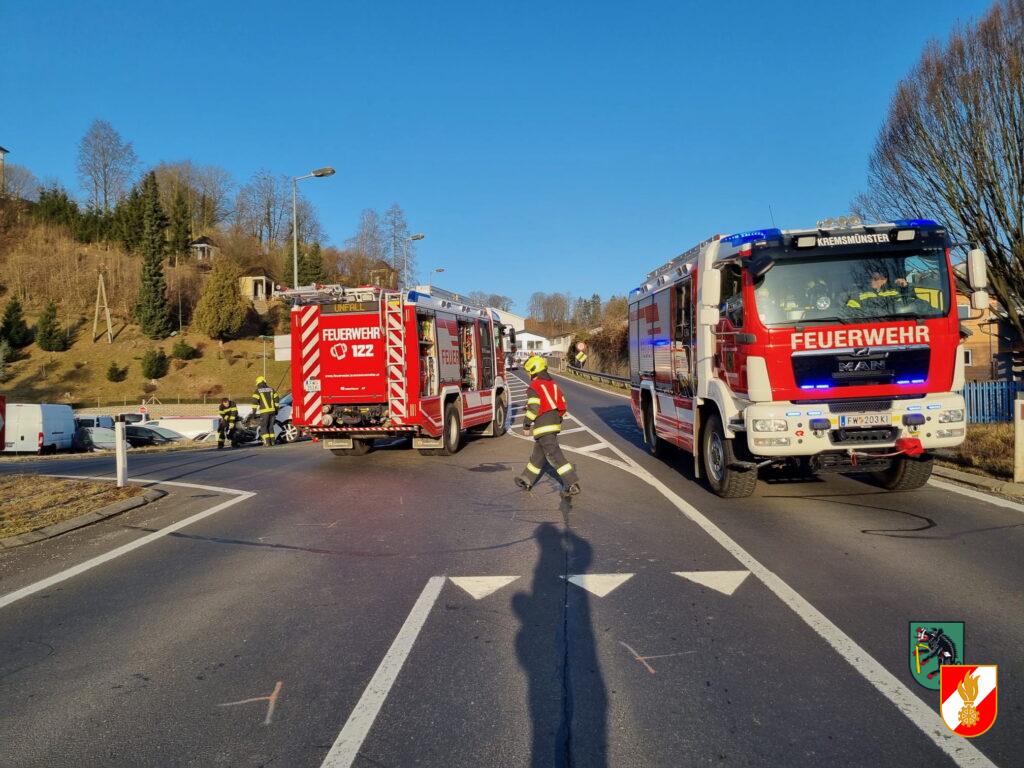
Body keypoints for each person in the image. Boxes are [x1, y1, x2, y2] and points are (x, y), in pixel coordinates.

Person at [515, 355, 581, 497]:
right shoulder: (553, 385)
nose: (529, 375)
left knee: (555, 455)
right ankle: (526, 480)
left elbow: (534, 408)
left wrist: (526, 424)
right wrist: (558, 418)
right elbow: (563, 404)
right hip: (554, 423)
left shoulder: (534, 387)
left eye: (529, 372)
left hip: (543, 426)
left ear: (533, 371)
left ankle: (572, 484)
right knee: (538, 456)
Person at [252, 375, 279, 447]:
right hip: (272, 411)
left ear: (258, 383)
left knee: (264, 427)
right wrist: (276, 409)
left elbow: (254, 402)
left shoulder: (257, 391)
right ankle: (272, 442)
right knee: (270, 427)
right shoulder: (271, 389)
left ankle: (267, 442)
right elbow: (277, 398)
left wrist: (254, 413)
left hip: (264, 412)